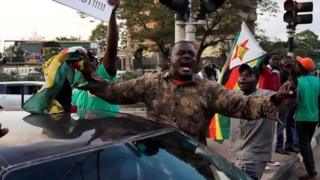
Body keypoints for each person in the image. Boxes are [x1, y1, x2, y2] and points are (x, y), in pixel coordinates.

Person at [77, 40, 296, 144]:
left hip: (192, 165)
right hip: (158, 161)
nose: (188, 57)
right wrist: (90, 76)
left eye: (191, 55)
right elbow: (114, 92)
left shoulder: (208, 90)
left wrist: (275, 98)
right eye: (181, 53)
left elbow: (244, 106)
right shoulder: (150, 83)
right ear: (170, 59)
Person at [230, 64, 275, 180]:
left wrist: (292, 82)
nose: (243, 78)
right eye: (241, 75)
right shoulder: (235, 96)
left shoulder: (267, 95)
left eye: (248, 75)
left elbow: (284, 101)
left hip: (254, 157)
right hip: (239, 154)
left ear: (257, 79)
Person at [293, 56, 319, 180]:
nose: (296, 66)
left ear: (301, 68)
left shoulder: (298, 81)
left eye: (298, 65)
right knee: (307, 143)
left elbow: (294, 101)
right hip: (314, 118)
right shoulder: (318, 81)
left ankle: (310, 172)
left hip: (302, 117)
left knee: (304, 145)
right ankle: (312, 167)